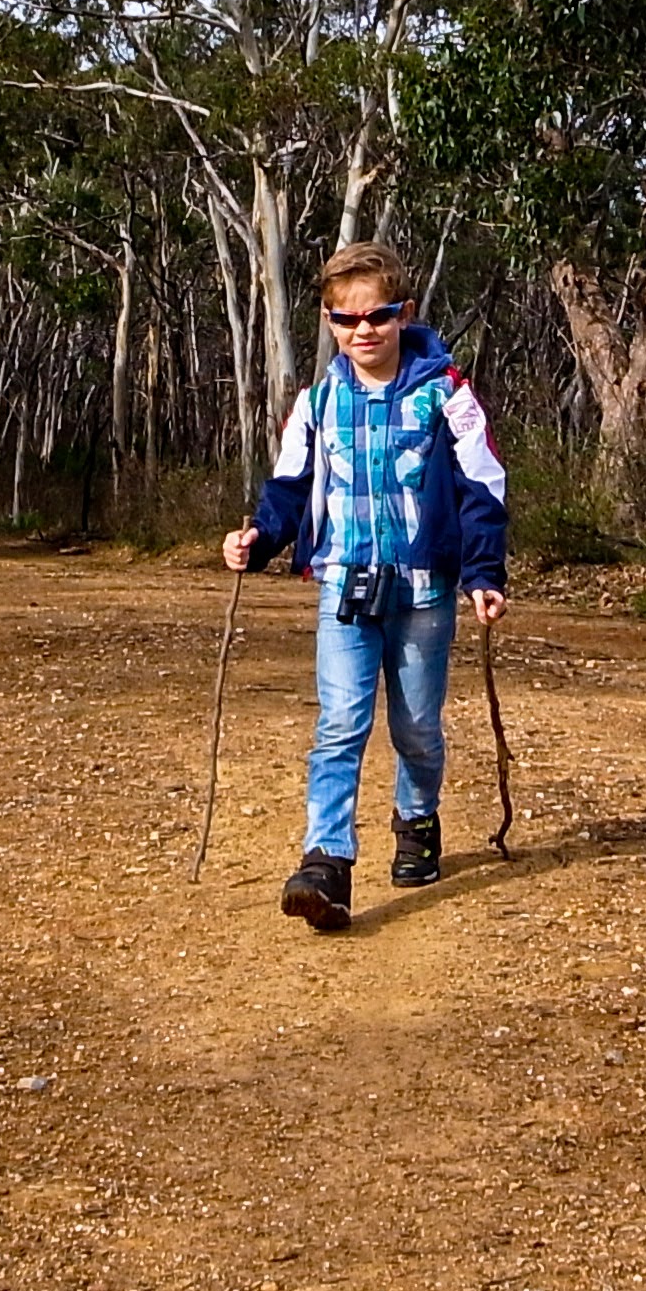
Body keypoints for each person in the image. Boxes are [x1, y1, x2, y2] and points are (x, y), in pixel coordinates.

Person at [222, 242, 509, 930]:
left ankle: (416, 823)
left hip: (425, 591)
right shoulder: (317, 404)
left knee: (416, 727)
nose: (364, 331)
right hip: (344, 588)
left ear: (404, 313)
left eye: (378, 315)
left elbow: (483, 487)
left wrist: (483, 573)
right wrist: (257, 541)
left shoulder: (448, 394)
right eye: (346, 320)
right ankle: (327, 865)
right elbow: (288, 491)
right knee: (342, 723)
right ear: (328, 322)